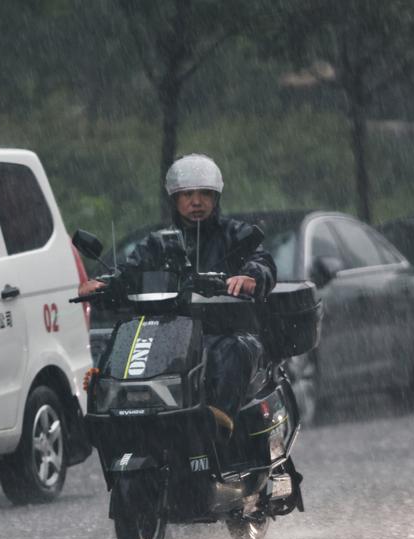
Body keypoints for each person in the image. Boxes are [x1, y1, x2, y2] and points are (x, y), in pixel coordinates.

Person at [79, 153, 276, 432]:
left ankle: (219, 427)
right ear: (174, 198)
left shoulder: (234, 235)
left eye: (205, 193)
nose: (196, 201)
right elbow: (128, 272)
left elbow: (262, 262)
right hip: (167, 337)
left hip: (222, 331)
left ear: (216, 197)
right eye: (187, 194)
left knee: (235, 350)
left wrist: (251, 277)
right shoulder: (158, 244)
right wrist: (102, 284)